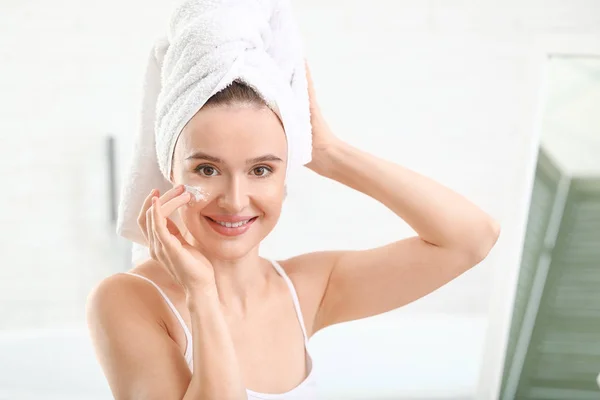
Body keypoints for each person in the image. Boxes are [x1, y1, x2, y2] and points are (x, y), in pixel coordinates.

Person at [86, 65, 500, 399]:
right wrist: (202, 294)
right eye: (207, 170)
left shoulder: (305, 290)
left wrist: (330, 154)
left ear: (285, 179)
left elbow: (471, 238)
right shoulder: (128, 301)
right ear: (170, 173)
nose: (234, 199)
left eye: (261, 169)